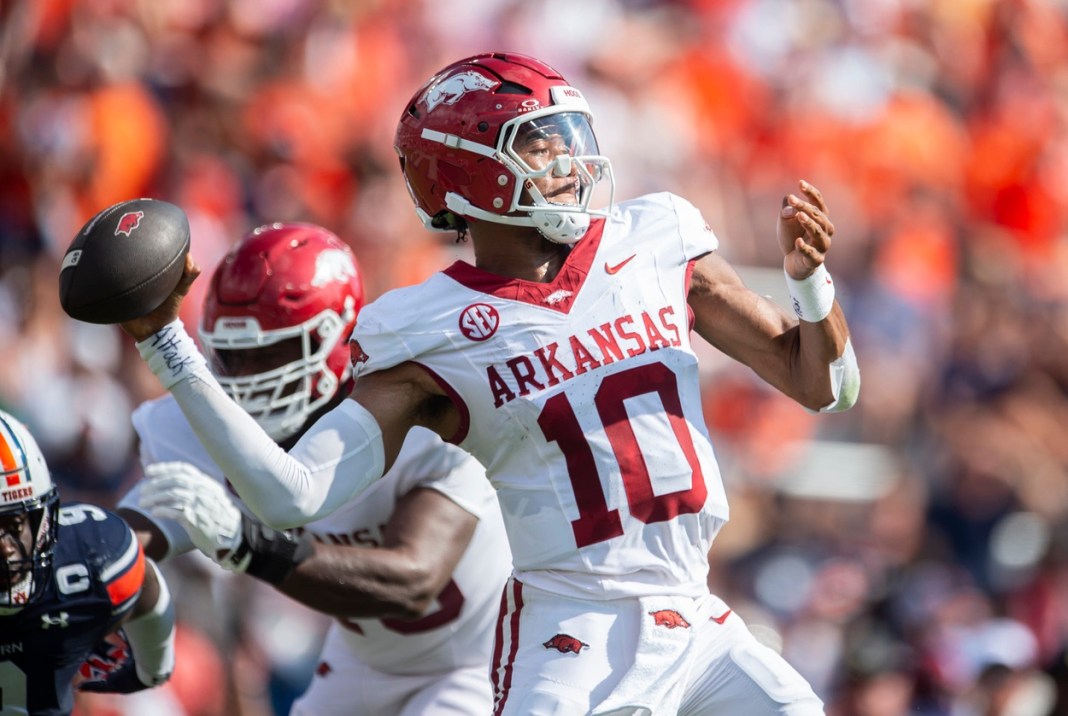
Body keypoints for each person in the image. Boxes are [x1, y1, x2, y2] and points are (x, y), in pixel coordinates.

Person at [117, 52, 860, 714]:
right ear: (469, 172)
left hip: (693, 615)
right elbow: (292, 493)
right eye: (541, 144)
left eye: (571, 140)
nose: (571, 162)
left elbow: (825, 385)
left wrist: (811, 284)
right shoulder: (427, 324)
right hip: (573, 633)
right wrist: (165, 341)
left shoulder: (656, 237)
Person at [115, 222, 512, 715]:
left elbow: (412, 581)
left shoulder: (423, 407)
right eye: (233, 356)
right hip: (363, 659)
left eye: (269, 352)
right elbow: (124, 542)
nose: (245, 376)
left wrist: (248, 545)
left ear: (339, 335)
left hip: (479, 661)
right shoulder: (209, 425)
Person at [0, 409, 175, 716]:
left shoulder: (91, 560)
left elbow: (141, 579)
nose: (5, 550)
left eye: (14, 525)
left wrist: (152, 667)